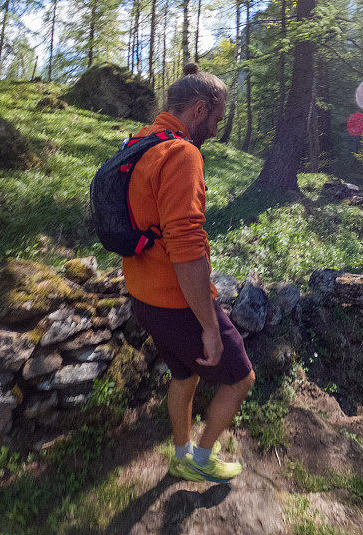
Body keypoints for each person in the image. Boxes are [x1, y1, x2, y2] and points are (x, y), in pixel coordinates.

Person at [123, 62, 255, 483]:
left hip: (141, 292)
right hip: (176, 299)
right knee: (240, 377)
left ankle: (180, 454)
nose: (216, 131)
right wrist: (209, 326)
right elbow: (186, 249)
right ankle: (200, 459)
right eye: (216, 119)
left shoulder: (140, 142)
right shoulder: (182, 153)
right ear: (198, 109)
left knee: (185, 372)